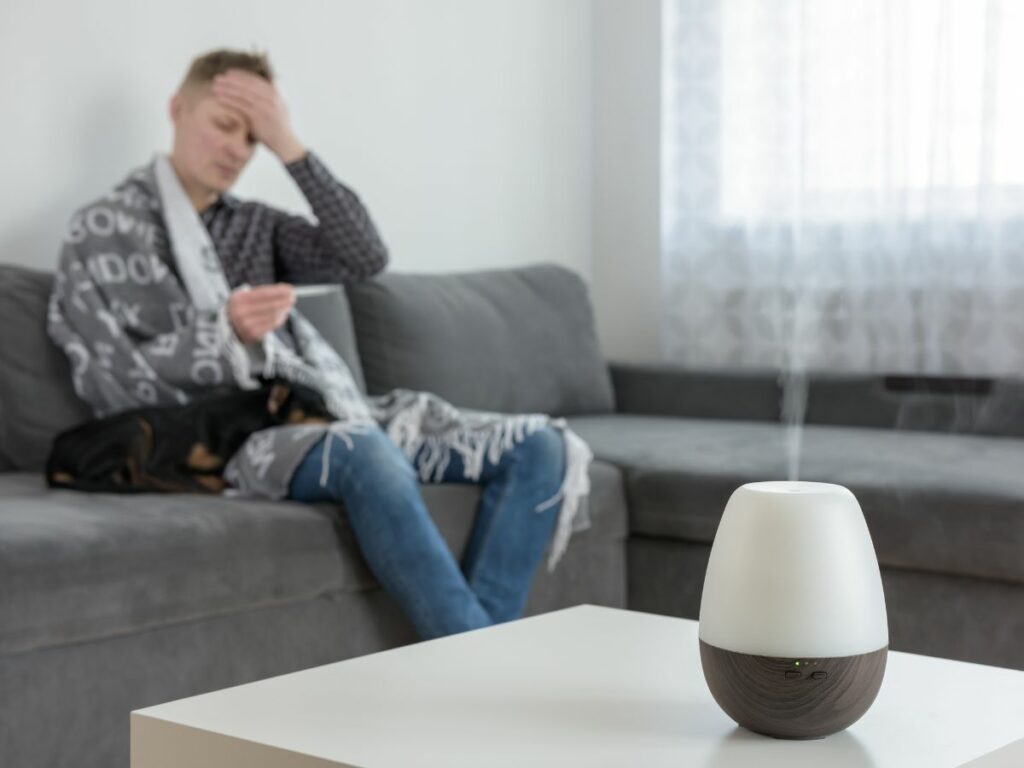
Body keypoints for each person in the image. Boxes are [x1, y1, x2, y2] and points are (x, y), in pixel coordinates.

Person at [47, 49, 592, 641]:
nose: (237, 149)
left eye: (253, 137)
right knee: (363, 449)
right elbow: (116, 381)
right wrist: (223, 335)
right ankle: (484, 665)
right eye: (225, 125)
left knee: (541, 447)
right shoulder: (105, 229)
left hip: (319, 412)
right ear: (178, 109)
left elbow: (363, 257)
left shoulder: (253, 226)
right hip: (230, 441)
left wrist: (290, 147)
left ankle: (479, 651)